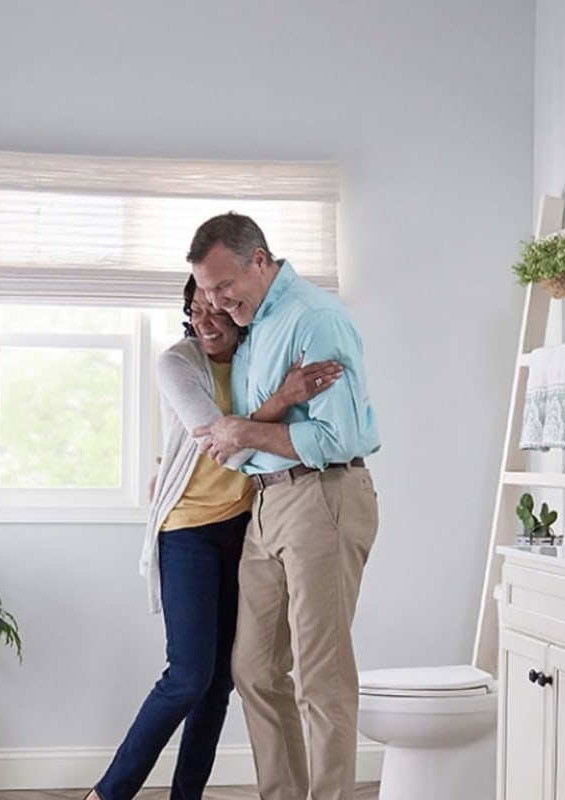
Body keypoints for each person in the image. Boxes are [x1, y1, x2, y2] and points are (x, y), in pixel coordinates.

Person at [86, 277, 342, 800]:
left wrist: (284, 400)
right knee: (188, 674)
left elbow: (270, 436)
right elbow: (222, 444)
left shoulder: (254, 360)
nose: (204, 321)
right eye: (194, 309)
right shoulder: (177, 363)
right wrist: (284, 398)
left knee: (221, 681)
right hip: (188, 530)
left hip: (246, 526)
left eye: (215, 309)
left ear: (237, 310)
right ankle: (109, 793)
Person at [188, 213, 381, 800]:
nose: (218, 303)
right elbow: (238, 442)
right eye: (206, 292)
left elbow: (335, 437)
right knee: (253, 670)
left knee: (321, 679)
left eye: (225, 287)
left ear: (261, 261)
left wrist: (243, 433)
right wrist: (249, 430)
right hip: (268, 506)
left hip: (323, 496)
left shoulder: (312, 318)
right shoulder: (257, 325)